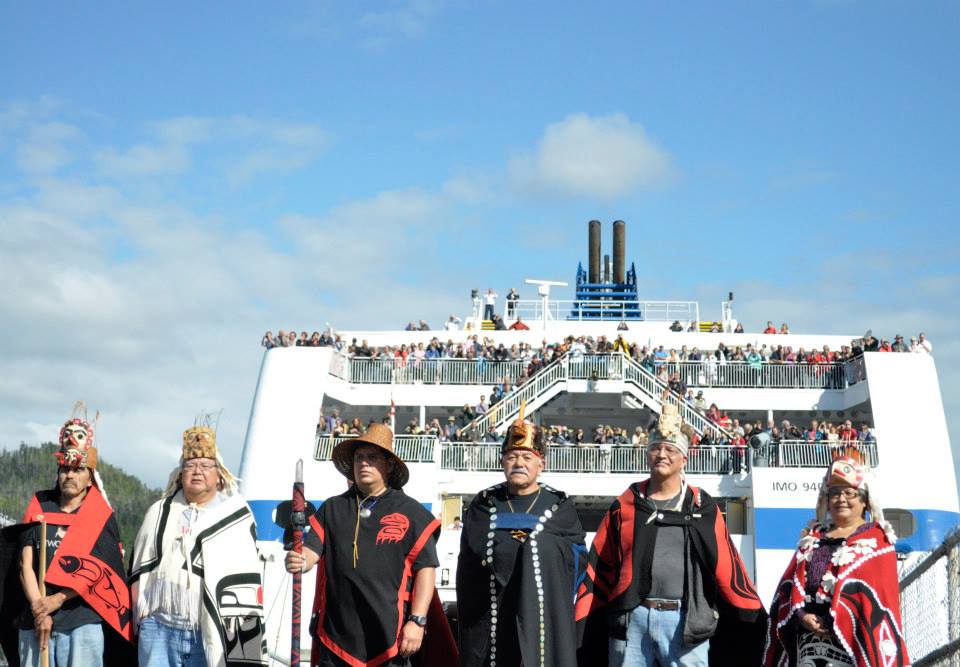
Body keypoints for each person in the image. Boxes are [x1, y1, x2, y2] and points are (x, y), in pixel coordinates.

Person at [581, 400, 766, 667]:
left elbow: (727, 566)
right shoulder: (626, 503)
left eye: (670, 449)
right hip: (632, 620)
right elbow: (600, 565)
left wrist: (750, 613)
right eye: (655, 448)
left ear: (684, 459)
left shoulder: (701, 506)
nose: (662, 454)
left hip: (685, 621)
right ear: (647, 454)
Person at [285, 424, 455, 666]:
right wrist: (299, 560)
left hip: (390, 638)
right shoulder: (332, 508)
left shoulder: (413, 513)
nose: (363, 463)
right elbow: (311, 551)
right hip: (335, 637)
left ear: (389, 465)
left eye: (372, 457)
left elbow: (425, 570)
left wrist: (417, 621)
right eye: (359, 458)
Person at [457, 409, 587, 667]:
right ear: (502, 462)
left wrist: (533, 547)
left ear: (541, 464)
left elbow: (577, 558)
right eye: (512, 456)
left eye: (527, 457)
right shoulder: (485, 503)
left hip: (541, 614)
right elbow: (473, 554)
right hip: (494, 614)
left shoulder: (559, 505)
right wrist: (521, 544)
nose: (519, 463)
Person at [130, 423, 266, 667]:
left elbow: (245, 579)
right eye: (190, 465)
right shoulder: (159, 512)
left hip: (213, 631)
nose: (197, 471)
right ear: (180, 473)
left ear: (219, 473)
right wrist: (142, 618)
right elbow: (139, 569)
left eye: (205, 465)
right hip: (159, 629)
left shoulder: (236, 516)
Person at [764, 457, 909, 666]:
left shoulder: (878, 542)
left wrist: (836, 617)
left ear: (865, 500)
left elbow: (879, 599)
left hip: (853, 649)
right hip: (808, 646)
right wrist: (801, 615)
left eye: (849, 493)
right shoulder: (812, 539)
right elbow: (788, 587)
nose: (841, 499)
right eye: (835, 493)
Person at [17, 408, 131, 667]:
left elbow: (99, 572)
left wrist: (56, 600)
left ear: (90, 478)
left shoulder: (99, 515)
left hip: (82, 623)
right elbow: (25, 566)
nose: (69, 475)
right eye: (65, 469)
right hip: (35, 621)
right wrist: (39, 609)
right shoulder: (41, 504)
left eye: (77, 470)